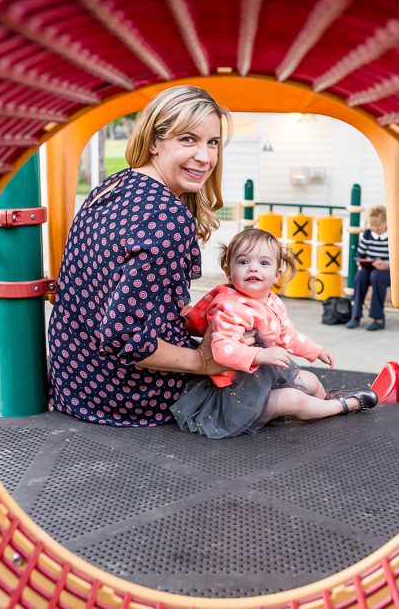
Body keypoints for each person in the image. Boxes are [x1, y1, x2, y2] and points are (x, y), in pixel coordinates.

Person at [47, 85, 241, 426]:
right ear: (154, 142)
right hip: (131, 394)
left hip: (75, 382)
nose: (205, 157)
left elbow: (110, 293)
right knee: (267, 369)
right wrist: (202, 361)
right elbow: (124, 335)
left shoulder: (111, 186)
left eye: (212, 142)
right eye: (188, 139)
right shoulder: (167, 217)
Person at [171, 228, 379, 439]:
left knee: (311, 380)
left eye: (264, 263)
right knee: (294, 399)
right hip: (232, 396)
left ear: (277, 274)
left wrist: (316, 350)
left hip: (258, 381)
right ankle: (340, 406)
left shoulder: (271, 301)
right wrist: (259, 355)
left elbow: (287, 334)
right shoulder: (230, 308)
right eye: (243, 262)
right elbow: (222, 349)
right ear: (228, 272)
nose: (253, 268)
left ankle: (323, 405)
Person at [346, 205, 390, 331]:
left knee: (376, 276)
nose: (375, 229)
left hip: (387, 271)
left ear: (386, 222)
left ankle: (378, 318)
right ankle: (355, 314)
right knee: (360, 276)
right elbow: (359, 254)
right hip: (370, 268)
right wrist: (361, 262)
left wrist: (387, 265)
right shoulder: (367, 234)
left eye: (378, 226)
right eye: (372, 225)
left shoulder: (392, 235)